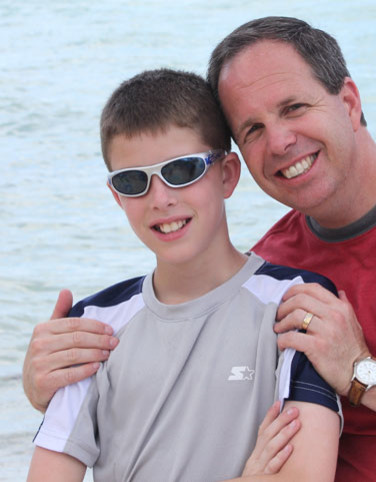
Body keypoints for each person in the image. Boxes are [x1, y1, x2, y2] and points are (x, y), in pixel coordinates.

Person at [23, 16, 376, 481]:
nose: (278, 141)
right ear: (236, 163)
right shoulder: (275, 274)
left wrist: (364, 374)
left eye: (294, 108)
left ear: (348, 101)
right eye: (251, 129)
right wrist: (51, 387)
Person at [26, 68, 341, 482]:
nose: (160, 199)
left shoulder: (295, 303)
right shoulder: (92, 326)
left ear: (227, 174)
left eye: (181, 170)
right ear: (117, 196)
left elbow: (304, 477)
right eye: (133, 180)